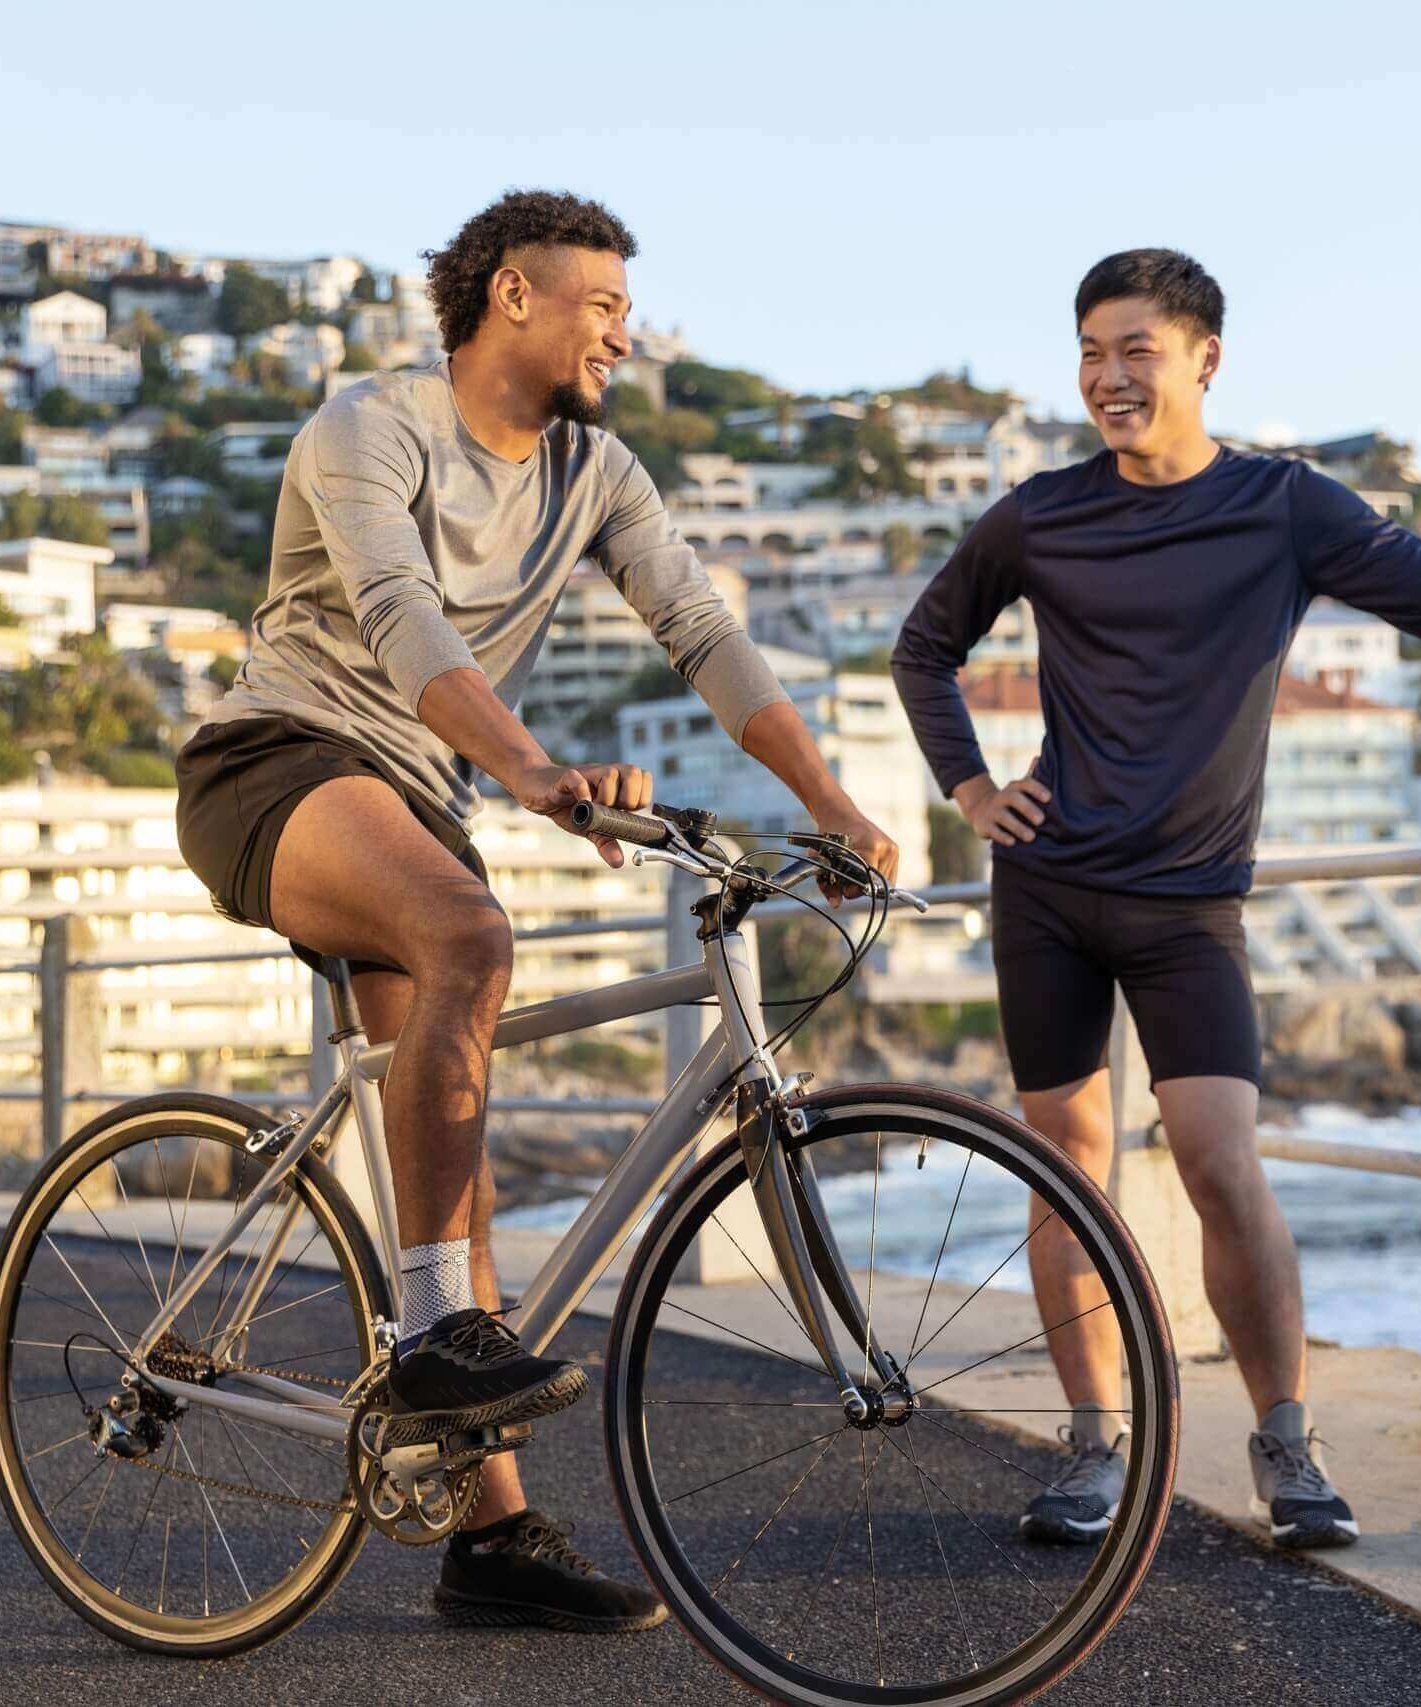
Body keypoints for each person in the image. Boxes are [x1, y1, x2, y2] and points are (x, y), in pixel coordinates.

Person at [891, 247, 1421, 1552]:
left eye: (1134, 349)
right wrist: (973, 791)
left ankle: (1285, 1439)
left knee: (1221, 1162)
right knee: (1066, 1167)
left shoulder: (1285, 508)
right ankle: (1096, 1446)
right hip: (1046, 890)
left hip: (1186, 906)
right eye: (1090, 351)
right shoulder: (1040, 515)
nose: (1107, 375)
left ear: (1205, 358)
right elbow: (925, 647)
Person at [175, 189, 899, 1629]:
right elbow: (401, 617)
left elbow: (702, 629)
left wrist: (834, 806)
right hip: (277, 764)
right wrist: (528, 770)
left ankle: (490, 1539)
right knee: (474, 935)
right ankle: (436, 1329)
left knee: (457, 1150)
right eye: (605, 306)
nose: (624, 334)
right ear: (515, 294)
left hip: (414, 800)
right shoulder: (365, 428)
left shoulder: (600, 472)